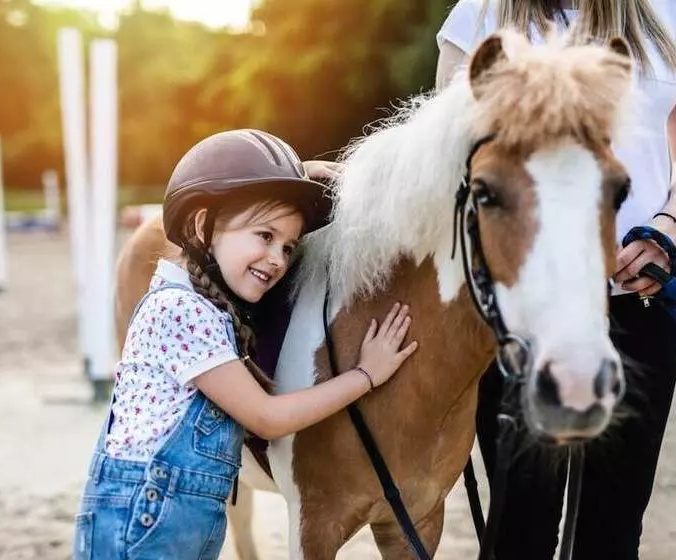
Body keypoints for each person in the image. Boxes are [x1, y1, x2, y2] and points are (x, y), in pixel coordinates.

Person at [436, 1, 676, 558]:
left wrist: (668, 227)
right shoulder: (479, 15)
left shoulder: (670, 11)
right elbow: (451, 164)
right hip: (522, 321)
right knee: (520, 527)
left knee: (614, 531)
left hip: (637, 303)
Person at [72, 129, 419, 559]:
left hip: (177, 521)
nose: (278, 258)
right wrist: (365, 375)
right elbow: (267, 418)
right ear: (203, 226)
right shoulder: (181, 311)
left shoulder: (209, 312)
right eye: (265, 235)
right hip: (142, 522)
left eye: (289, 247)